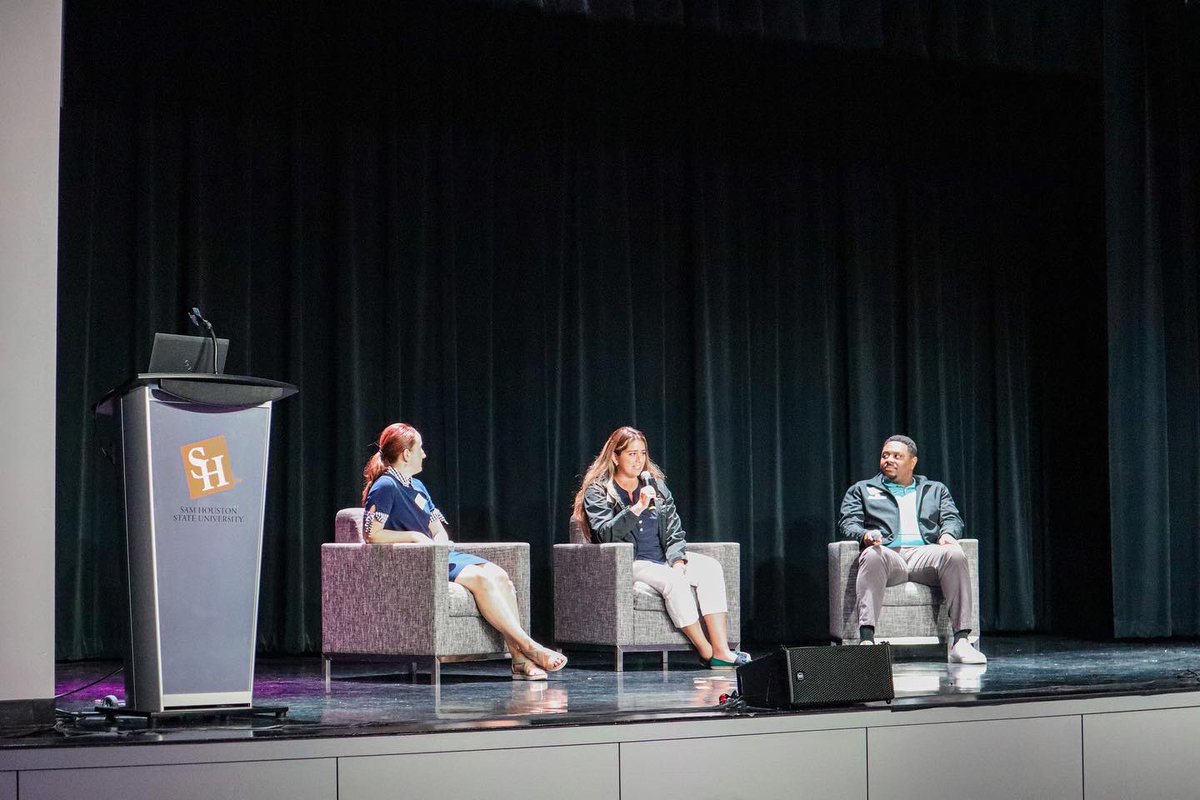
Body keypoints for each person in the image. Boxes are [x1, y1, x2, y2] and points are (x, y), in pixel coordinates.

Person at [362, 422, 567, 680]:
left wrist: (440, 538)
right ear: (406, 454)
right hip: (418, 561)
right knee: (481, 579)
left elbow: (437, 527)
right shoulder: (386, 486)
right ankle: (528, 648)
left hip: (440, 554)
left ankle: (518, 661)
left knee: (500, 576)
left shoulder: (418, 486)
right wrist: (415, 537)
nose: (424, 454)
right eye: (420, 449)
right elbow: (372, 534)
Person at [573, 426, 749, 669]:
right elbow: (606, 534)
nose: (638, 460)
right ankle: (706, 650)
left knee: (710, 568)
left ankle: (721, 649)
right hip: (629, 563)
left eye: (642, 453)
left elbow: (675, 530)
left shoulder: (656, 486)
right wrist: (636, 508)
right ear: (615, 456)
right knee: (673, 581)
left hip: (663, 558)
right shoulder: (599, 490)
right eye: (631, 454)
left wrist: (678, 560)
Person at [838, 434, 986, 664]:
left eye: (897, 456)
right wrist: (864, 535)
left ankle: (961, 642)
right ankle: (867, 642)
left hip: (924, 554)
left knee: (955, 554)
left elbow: (952, 519)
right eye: (885, 455)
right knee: (872, 555)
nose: (889, 460)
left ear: (912, 462)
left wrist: (947, 534)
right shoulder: (863, 489)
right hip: (887, 553)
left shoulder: (934, 489)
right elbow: (849, 522)